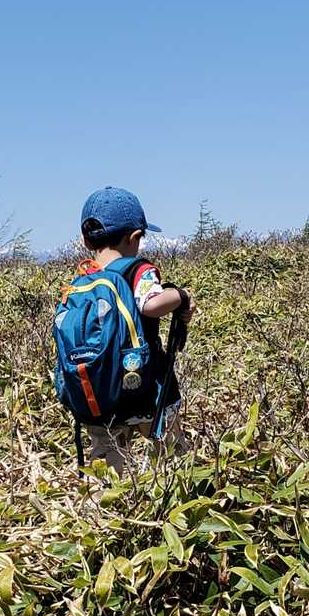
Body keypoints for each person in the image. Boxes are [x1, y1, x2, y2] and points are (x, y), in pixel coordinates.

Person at [73, 186, 195, 476]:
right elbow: (151, 305)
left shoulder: (86, 277)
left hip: (99, 391)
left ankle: (104, 497)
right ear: (135, 236)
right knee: (171, 450)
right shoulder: (139, 270)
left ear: (85, 240)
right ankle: (178, 487)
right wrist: (180, 295)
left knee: (106, 459)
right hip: (146, 386)